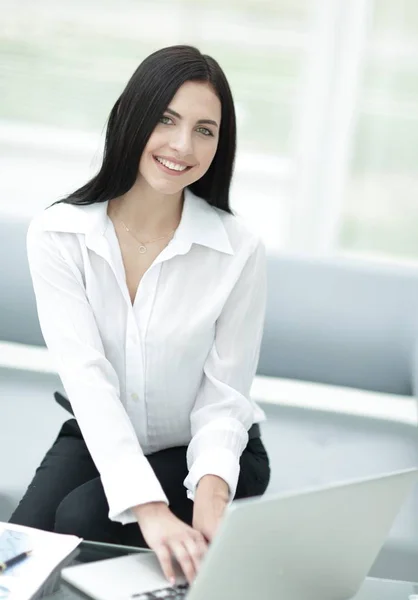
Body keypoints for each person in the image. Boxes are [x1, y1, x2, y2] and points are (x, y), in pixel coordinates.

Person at [10, 45, 270, 585]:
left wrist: (211, 496)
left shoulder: (237, 248)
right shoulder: (60, 235)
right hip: (102, 429)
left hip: (210, 449)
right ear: (132, 116)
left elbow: (225, 398)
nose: (183, 145)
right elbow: (88, 380)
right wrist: (150, 510)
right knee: (24, 552)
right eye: (166, 119)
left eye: (205, 129)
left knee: (84, 518)